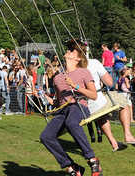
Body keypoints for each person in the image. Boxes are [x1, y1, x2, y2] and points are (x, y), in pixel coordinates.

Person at [40, 39, 102, 176]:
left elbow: (93, 95)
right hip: (63, 110)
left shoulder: (84, 72)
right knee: (46, 136)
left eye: (72, 50)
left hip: (78, 105)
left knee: (71, 122)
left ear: (78, 58)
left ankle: (92, 159)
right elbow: (58, 102)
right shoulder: (57, 78)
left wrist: (76, 86)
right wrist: (45, 98)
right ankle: (71, 166)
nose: (67, 51)